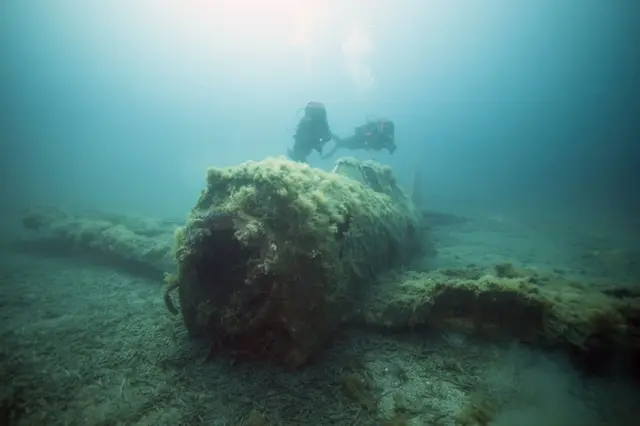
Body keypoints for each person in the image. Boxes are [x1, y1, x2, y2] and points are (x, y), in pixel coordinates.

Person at [322, 118, 396, 159]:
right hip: (360, 139)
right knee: (342, 143)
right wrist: (369, 135)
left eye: (388, 130)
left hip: (364, 144)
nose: (386, 131)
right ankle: (328, 133)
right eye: (385, 129)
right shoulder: (376, 130)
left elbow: (390, 148)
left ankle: (329, 135)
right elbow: (367, 135)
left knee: (343, 144)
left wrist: (390, 147)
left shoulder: (386, 137)